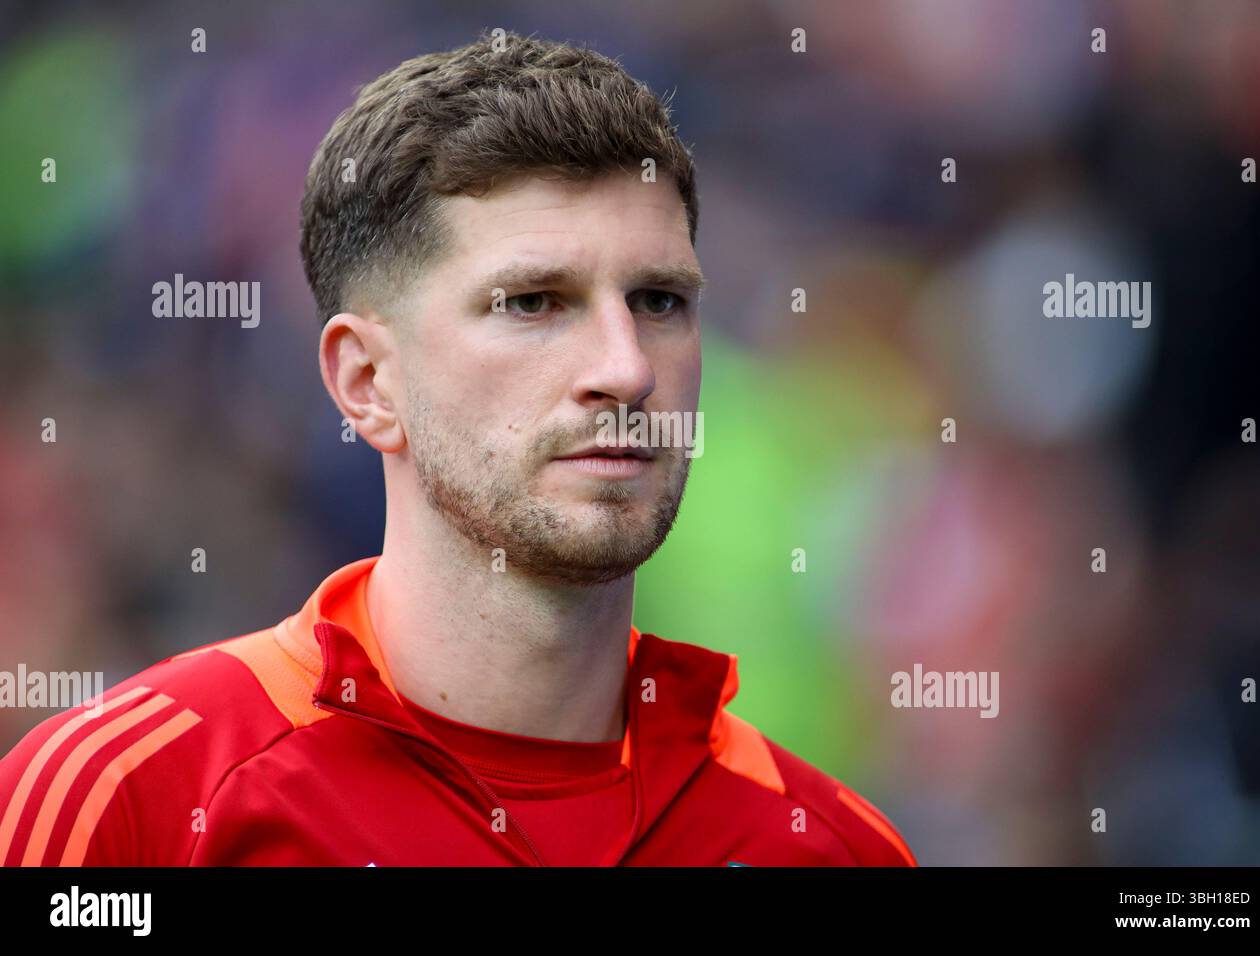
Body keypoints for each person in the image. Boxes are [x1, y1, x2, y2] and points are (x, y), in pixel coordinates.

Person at [0, 30, 915, 867]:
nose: (626, 367)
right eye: (532, 302)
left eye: (659, 301)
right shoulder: (131, 803)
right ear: (367, 383)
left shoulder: (832, 845)